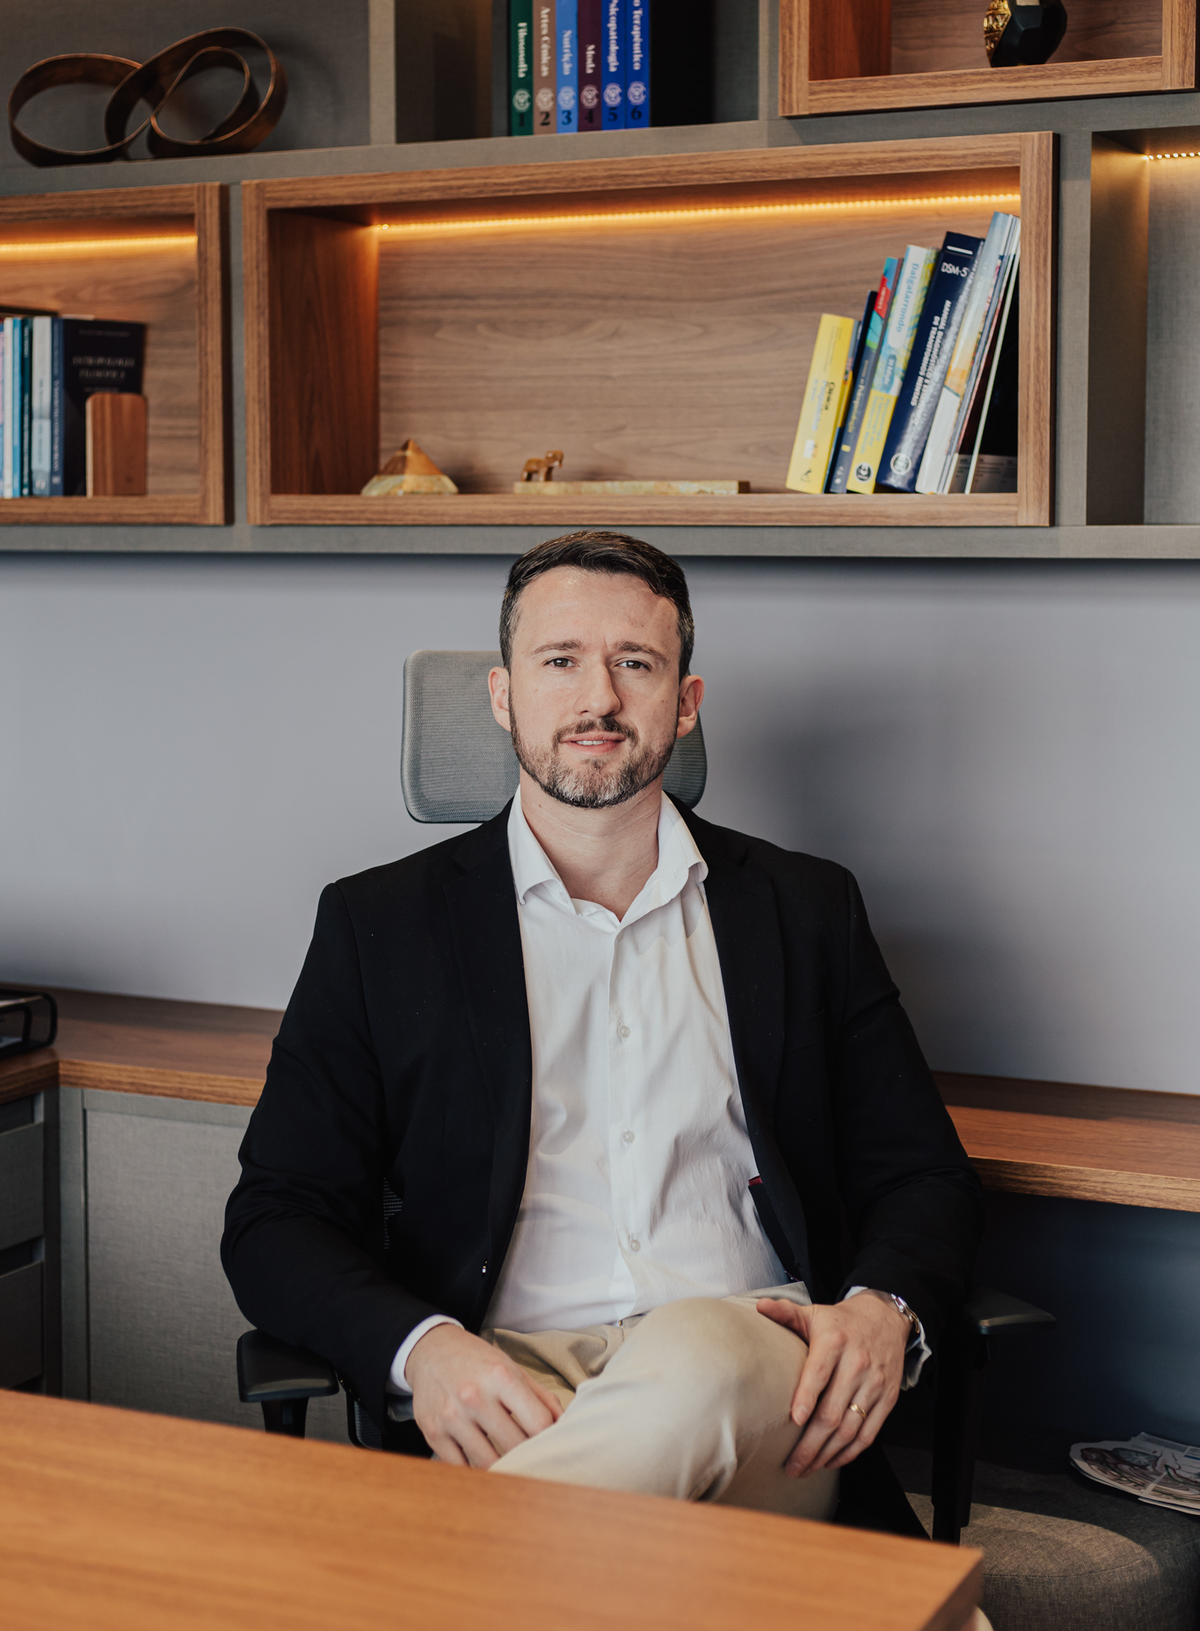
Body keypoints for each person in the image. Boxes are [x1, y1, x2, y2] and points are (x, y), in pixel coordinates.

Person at [222, 529, 983, 1534]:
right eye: (560, 661)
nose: (599, 699)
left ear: (686, 701)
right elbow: (276, 1216)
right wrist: (426, 1350)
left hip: (758, 1373)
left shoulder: (805, 909)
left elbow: (924, 1176)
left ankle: (433, 1567)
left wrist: (886, 1307)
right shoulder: (379, 927)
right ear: (503, 696)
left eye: (635, 663)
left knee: (703, 1356)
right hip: (509, 1391)